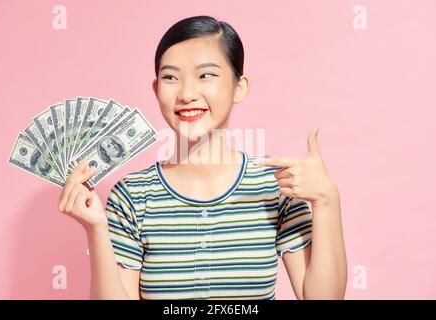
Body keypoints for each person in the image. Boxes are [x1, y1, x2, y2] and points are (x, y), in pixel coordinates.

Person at [58, 15, 347, 300]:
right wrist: (96, 229)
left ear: (239, 87)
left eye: (205, 75)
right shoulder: (133, 196)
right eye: (170, 78)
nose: (186, 94)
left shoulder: (275, 185)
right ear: (157, 89)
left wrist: (327, 200)